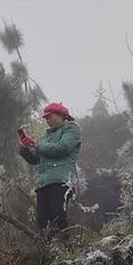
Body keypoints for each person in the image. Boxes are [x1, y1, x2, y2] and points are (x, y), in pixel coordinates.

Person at [18, 102, 82, 239]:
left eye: (50, 117)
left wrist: (37, 145)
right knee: (43, 220)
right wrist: (24, 149)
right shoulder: (46, 138)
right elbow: (37, 160)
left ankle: (63, 246)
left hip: (61, 179)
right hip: (43, 183)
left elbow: (63, 148)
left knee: (57, 215)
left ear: (62, 116)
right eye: (46, 119)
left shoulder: (71, 129)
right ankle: (48, 249)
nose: (48, 121)